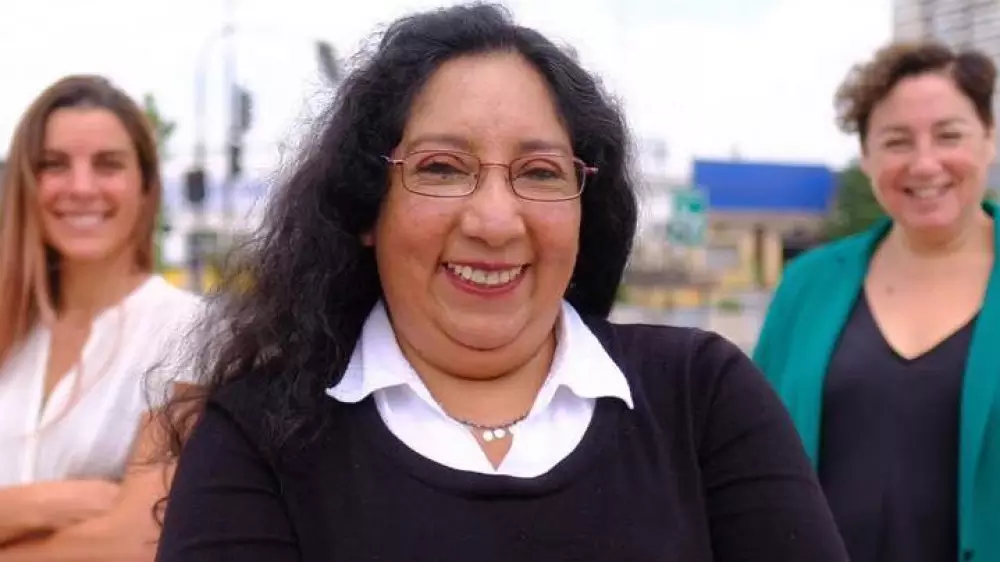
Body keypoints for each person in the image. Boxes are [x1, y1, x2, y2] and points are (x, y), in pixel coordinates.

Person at [155, 5, 848, 561]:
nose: (494, 221)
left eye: (540, 173)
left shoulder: (702, 397)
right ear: (366, 204)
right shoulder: (258, 436)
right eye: (442, 168)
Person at [753, 40, 1000, 562]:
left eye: (949, 135)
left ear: (990, 138)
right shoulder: (807, 285)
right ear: (866, 157)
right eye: (896, 141)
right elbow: (752, 452)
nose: (925, 164)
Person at [0, 75, 202, 560]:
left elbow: (135, 541)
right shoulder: (10, 329)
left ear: (146, 187)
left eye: (108, 164)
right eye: (53, 164)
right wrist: (45, 504)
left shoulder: (189, 333)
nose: (81, 187)